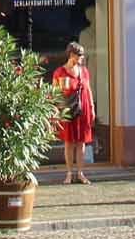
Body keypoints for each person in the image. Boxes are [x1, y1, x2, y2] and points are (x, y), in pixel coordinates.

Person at [50, 42, 96, 185]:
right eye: (79, 55)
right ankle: (69, 173)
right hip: (67, 109)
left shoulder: (84, 71)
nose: (81, 58)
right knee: (69, 143)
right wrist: (55, 110)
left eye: (82, 55)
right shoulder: (59, 72)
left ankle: (81, 173)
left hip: (83, 108)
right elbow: (55, 93)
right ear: (71, 55)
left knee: (81, 142)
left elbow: (88, 90)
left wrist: (92, 107)